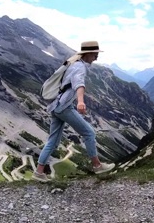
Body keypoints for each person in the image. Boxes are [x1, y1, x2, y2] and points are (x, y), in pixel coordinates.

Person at [33, 40, 115, 182]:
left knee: (52, 141)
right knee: (89, 132)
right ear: (88, 53)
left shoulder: (73, 64)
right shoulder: (79, 67)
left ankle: (39, 172)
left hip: (55, 106)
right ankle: (97, 165)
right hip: (64, 106)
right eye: (95, 54)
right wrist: (81, 101)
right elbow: (79, 84)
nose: (97, 57)